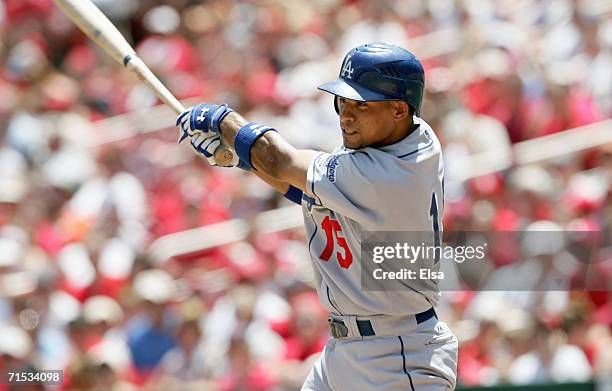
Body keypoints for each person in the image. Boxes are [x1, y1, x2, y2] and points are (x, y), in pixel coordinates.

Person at [176, 42, 458, 390]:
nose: (346, 115)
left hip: (397, 357)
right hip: (348, 349)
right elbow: (302, 189)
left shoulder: (394, 171)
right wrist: (240, 157)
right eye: (343, 101)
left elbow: (281, 161)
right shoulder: (393, 139)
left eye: (361, 104)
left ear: (400, 109)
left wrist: (224, 121)